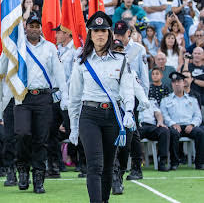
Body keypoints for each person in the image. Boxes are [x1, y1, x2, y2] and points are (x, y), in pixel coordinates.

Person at [69, 11, 135, 202]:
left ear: (109, 34)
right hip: (89, 115)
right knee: (95, 165)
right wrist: (74, 125)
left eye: (104, 31)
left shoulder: (120, 60)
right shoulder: (81, 61)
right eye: (96, 31)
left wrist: (129, 110)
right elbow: (74, 96)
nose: (100, 35)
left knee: (108, 166)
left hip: (113, 116)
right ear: (90, 34)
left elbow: (127, 88)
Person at [0, 14, 68, 193]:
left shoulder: (50, 48)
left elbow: (59, 72)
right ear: (25, 27)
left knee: (41, 138)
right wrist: (7, 50)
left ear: (41, 28)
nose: (34, 29)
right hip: (23, 96)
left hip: (44, 97)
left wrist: (65, 95)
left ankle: (38, 176)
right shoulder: (17, 47)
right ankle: (22, 167)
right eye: (31, 25)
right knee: (22, 134)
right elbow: (0, 69)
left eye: (37, 26)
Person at [113, 20, 148, 186]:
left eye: (122, 34)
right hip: (116, 98)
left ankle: (136, 167)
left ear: (129, 33)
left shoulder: (139, 50)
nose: (120, 37)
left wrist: (143, 100)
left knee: (134, 135)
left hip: (133, 96)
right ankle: (116, 167)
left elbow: (143, 77)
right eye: (117, 34)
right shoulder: (111, 48)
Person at [46, 26, 75, 178]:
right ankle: (54, 166)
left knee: (73, 130)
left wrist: (64, 91)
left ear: (67, 34)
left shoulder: (75, 51)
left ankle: (82, 164)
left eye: (59, 32)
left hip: (68, 96)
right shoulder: (54, 50)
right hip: (53, 96)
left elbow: (73, 76)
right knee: (50, 132)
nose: (56, 35)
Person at [160, 72, 204, 170]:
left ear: (183, 83)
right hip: (175, 126)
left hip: (189, 126)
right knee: (173, 134)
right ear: (172, 84)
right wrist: (173, 124)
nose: (177, 84)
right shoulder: (166, 100)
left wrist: (192, 124)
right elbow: (164, 116)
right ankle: (174, 163)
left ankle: (199, 163)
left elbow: (198, 116)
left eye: (179, 81)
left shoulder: (192, 100)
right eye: (174, 82)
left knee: (200, 133)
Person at [139, 98, 170, 171]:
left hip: (151, 126)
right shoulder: (131, 98)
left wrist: (160, 121)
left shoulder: (152, 100)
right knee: (131, 136)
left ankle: (162, 162)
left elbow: (158, 113)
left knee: (164, 131)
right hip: (137, 125)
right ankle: (135, 164)